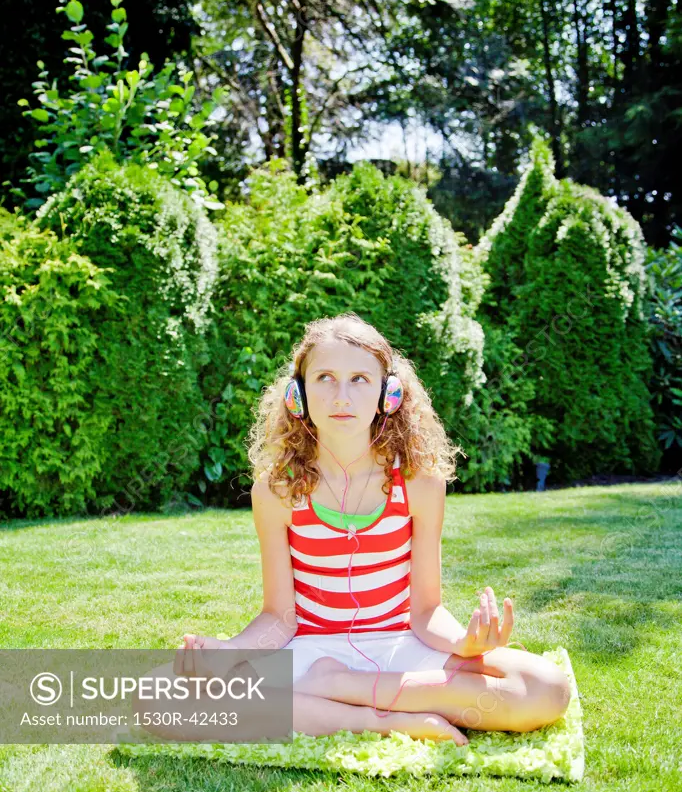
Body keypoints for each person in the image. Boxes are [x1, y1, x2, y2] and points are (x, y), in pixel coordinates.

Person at [174, 312, 571, 744]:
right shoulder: (276, 492)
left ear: (389, 393)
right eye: (324, 377)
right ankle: (388, 720)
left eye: (360, 379)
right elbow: (280, 617)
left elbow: (424, 612)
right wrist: (233, 650)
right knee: (168, 701)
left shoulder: (419, 482)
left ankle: (340, 692)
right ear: (297, 394)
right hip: (312, 651)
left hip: (400, 648)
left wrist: (464, 643)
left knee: (546, 689)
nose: (341, 396)